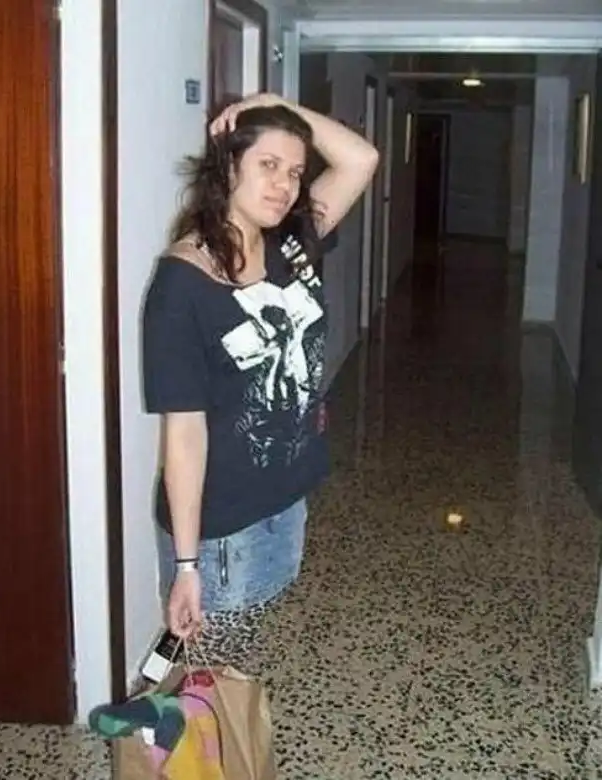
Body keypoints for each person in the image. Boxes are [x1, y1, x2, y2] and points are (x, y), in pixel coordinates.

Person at [142, 92, 379, 670]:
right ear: (228, 167)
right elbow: (184, 434)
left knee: (239, 668)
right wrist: (188, 566)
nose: (285, 186)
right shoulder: (183, 283)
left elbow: (361, 159)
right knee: (211, 680)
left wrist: (276, 103)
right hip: (224, 527)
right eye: (268, 165)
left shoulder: (289, 245)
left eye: (295, 172)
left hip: (286, 499)